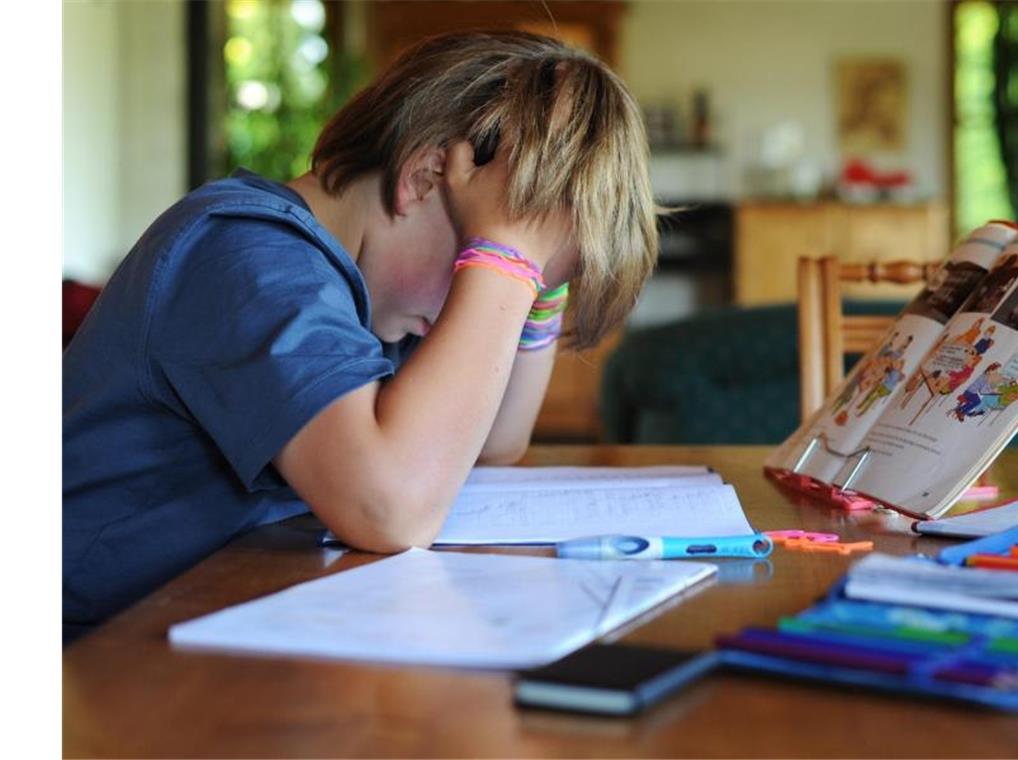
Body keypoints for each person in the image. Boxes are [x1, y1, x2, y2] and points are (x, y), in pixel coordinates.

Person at [62, 31, 658, 641]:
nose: (494, 299)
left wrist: (539, 272)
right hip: (92, 660)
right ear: (424, 178)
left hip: (205, 624)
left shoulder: (373, 294)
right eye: (492, 259)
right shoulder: (250, 256)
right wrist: (504, 256)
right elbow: (391, 509)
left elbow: (495, 440)